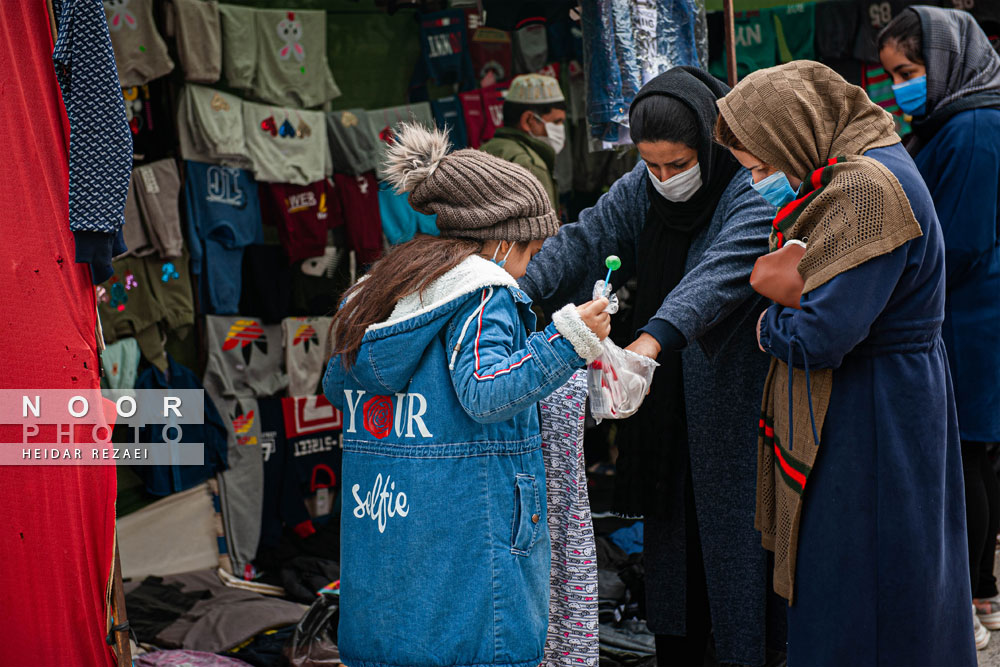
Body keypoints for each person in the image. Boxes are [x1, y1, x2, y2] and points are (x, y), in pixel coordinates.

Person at [713, 60, 975, 666]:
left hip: (870, 410)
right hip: (895, 396)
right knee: (903, 571)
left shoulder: (863, 190)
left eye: (761, 167)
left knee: (860, 581)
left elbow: (821, 334)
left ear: (794, 133)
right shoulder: (874, 162)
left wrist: (766, 323)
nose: (760, 182)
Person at [321, 123, 610, 667]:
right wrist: (570, 338)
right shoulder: (484, 292)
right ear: (502, 239)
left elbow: (337, 385)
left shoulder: (382, 288)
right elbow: (487, 392)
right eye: (532, 248)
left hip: (387, 561)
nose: (531, 264)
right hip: (476, 567)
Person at [521, 67, 778, 667]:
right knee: (674, 545)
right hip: (664, 408)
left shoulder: (752, 186)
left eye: (677, 164)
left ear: (712, 146)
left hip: (733, 400)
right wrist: (506, 294)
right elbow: (583, 239)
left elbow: (722, 270)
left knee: (738, 548)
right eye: (651, 164)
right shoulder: (642, 185)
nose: (664, 179)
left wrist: (648, 343)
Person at [878, 7, 1000, 647]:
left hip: (971, 314)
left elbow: (965, 241)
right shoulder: (948, 122)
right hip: (960, 309)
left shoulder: (975, 126)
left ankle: (978, 597)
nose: (901, 85)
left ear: (948, 62)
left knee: (969, 454)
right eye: (895, 73)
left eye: (910, 70)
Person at [481, 73, 565, 210]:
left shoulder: (484, 150)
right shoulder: (530, 165)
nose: (561, 129)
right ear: (528, 120)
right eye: (556, 122)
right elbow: (543, 229)